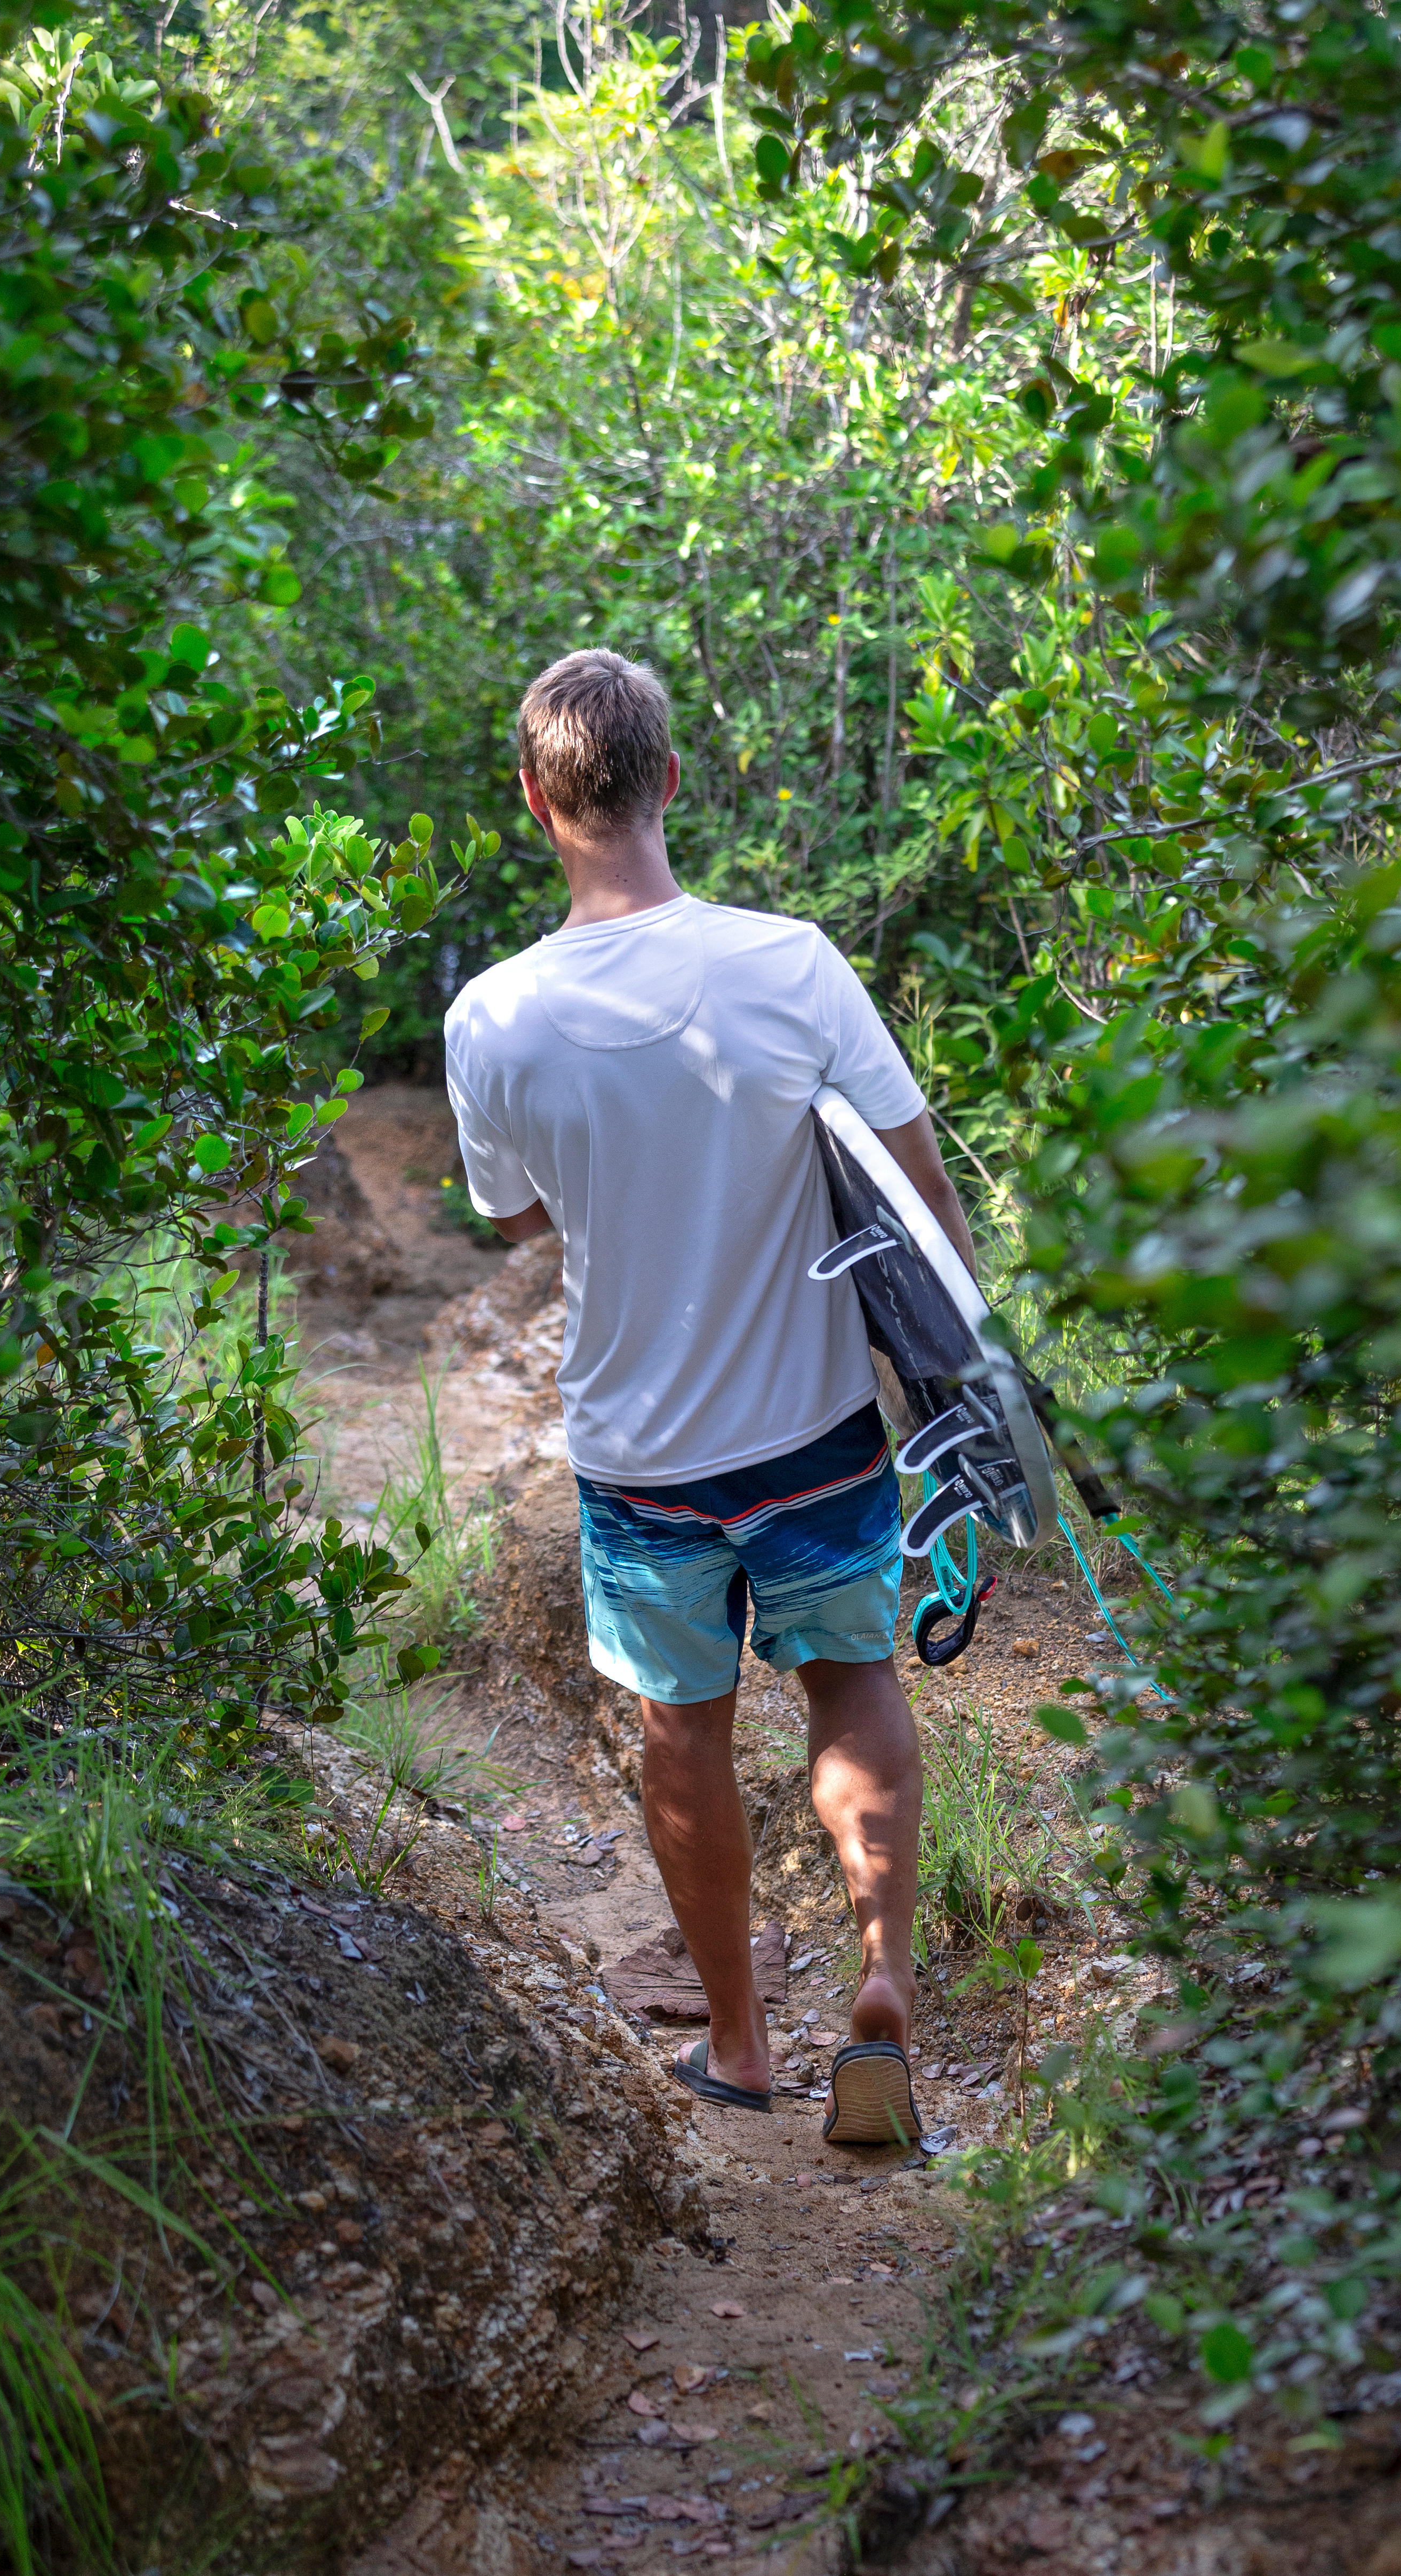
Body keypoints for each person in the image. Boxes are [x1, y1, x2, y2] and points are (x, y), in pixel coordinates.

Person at [443, 648, 978, 2146]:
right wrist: (955, 1387)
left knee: (681, 1729)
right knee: (852, 1682)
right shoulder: (791, 960)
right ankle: (882, 1989)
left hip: (637, 1452)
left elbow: (518, 1220)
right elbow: (917, 1190)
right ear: (672, 781)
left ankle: (740, 2046)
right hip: (813, 1429)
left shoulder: (493, 1017)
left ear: (538, 800)